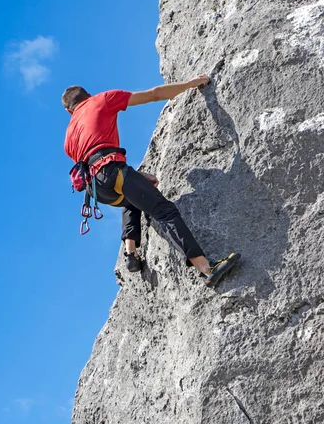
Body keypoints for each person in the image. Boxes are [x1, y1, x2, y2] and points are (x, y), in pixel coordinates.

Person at [62, 76, 240, 287]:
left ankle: (131, 254)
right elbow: (153, 94)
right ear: (88, 96)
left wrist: (138, 178)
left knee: (131, 199)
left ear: (69, 111)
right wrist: (191, 84)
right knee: (165, 212)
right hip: (112, 170)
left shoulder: (68, 138)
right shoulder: (101, 100)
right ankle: (206, 268)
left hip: (97, 191)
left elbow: (93, 162)